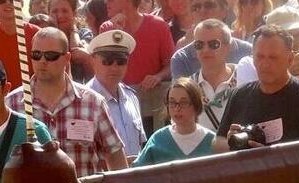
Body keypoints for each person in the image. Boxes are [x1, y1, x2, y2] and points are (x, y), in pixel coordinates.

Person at [6, 27, 127, 177]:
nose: (42, 61)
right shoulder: (11, 104)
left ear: (67, 58)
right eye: (36, 55)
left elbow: (116, 158)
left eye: (51, 56)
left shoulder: (93, 103)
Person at [213, 24, 299, 152]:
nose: (265, 64)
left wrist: (268, 155)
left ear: (290, 59)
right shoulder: (240, 95)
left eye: (273, 58)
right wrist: (232, 142)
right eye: (260, 56)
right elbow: (218, 141)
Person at [101, 0, 175, 132]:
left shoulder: (158, 25)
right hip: (120, 110)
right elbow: (103, 70)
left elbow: (171, 64)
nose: (106, 2)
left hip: (153, 109)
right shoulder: (107, 29)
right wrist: (117, 33)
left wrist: (158, 76)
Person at [86, 27, 147, 158]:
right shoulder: (84, 101)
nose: (114, 67)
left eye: (121, 61)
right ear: (93, 61)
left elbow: (139, 145)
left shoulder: (131, 97)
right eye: (107, 61)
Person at [134, 78, 214, 166]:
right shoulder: (158, 140)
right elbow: (137, 173)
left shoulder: (212, 141)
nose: (177, 108)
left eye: (183, 103)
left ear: (196, 104)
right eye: (172, 102)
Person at [171, 0, 253, 79]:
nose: (202, 11)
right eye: (196, 7)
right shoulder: (182, 59)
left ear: (224, 11)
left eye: (209, 5)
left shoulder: (247, 52)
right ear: (191, 14)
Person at [188, 18, 236, 131]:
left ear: (227, 47)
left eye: (213, 44)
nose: (205, 50)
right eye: (199, 44)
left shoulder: (244, 77)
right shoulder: (188, 87)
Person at [0, 0, 40, 89]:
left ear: (22, 3)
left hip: (32, 98)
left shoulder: (37, 35)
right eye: (2, 0)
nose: (8, 3)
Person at [48, 0, 94, 82]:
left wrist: (73, 30)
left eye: (65, 11)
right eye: (55, 11)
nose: (60, 15)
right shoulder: (43, 37)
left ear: (74, 13)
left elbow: (76, 55)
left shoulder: (85, 34)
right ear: (48, 14)